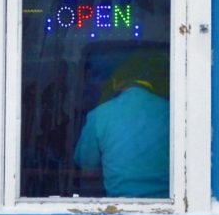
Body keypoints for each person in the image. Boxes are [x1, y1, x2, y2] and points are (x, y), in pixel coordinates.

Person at [73, 54, 170, 198]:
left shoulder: (99, 114)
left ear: (115, 82)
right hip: (169, 206)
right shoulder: (171, 111)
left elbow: (87, 169)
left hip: (121, 207)